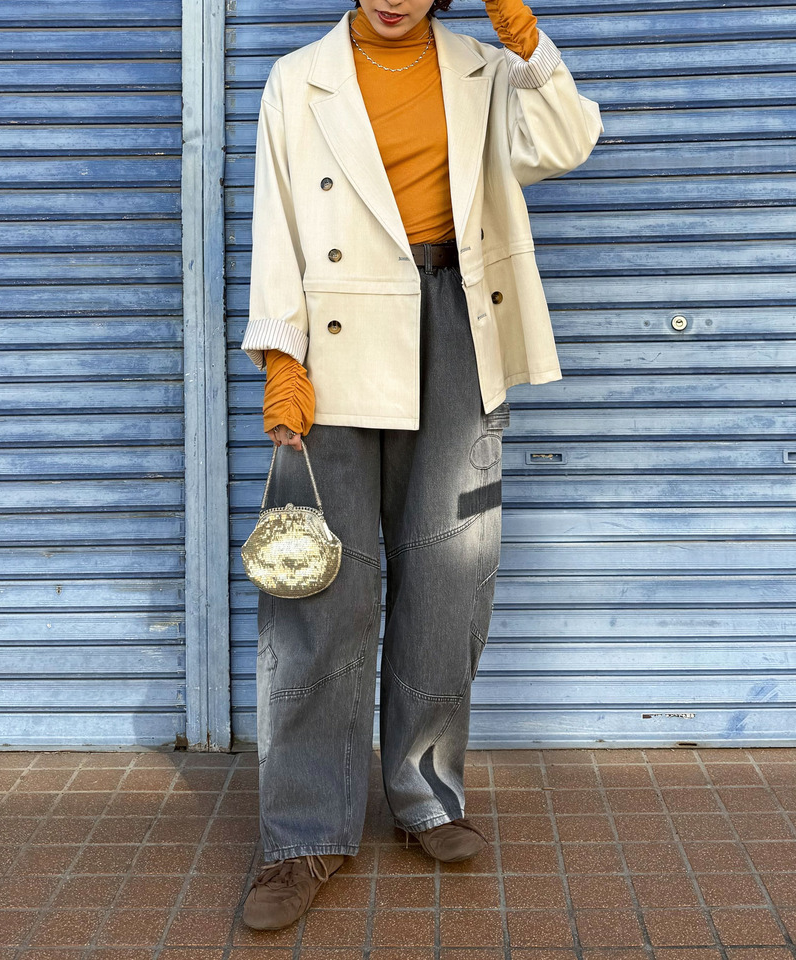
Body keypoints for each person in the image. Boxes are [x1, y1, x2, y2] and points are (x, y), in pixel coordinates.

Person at [239, 0, 602, 932]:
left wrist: (525, 38)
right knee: (320, 591)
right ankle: (304, 832)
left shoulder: (484, 66)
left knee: (452, 576)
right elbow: (278, 222)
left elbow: (566, 142)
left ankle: (428, 795)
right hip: (336, 337)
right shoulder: (298, 77)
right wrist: (281, 359)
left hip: (460, 326)